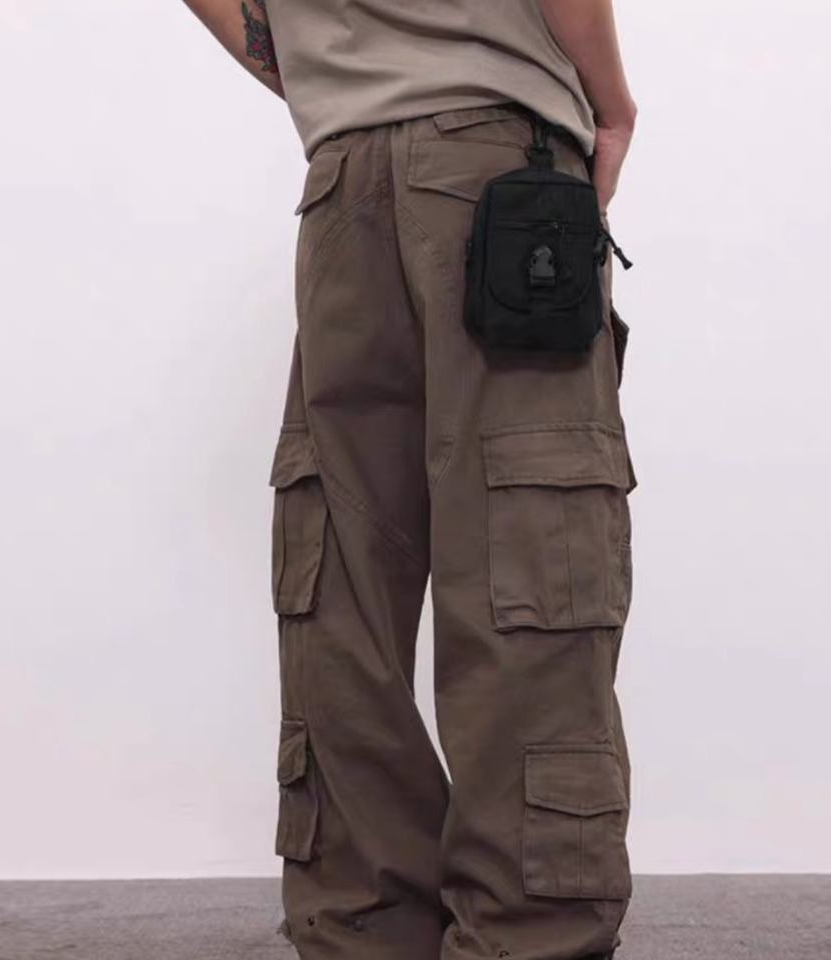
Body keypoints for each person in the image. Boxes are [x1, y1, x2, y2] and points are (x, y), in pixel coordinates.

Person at [182, 2, 638, 957]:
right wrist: (613, 105)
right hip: (502, 173)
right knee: (531, 558)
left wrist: (321, 62)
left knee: (343, 579)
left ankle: (366, 927)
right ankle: (526, 933)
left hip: (340, 180)